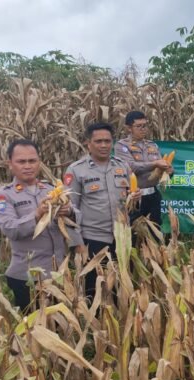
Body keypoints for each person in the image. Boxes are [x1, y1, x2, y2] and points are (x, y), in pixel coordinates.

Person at [0, 139, 79, 311]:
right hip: (27, 277)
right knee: (33, 331)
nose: (27, 166)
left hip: (58, 275)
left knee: (60, 328)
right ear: (10, 164)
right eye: (21, 161)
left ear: (39, 162)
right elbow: (11, 229)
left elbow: (77, 217)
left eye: (32, 161)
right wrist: (37, 214)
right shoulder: (3, 197)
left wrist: (69, 212)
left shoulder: (51, 189)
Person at [65, 122, 140, 300]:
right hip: (93, 241)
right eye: (98, 141)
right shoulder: (76, 170)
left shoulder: (122, 167)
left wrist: (135, 199)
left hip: (122, 239)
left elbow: (130, 203)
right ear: (88, 144)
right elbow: (69, 210)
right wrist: (78, 244)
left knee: (122, 290)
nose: (104, 145)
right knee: (95, 292)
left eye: (107, 141)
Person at [115, 111, 173, 232]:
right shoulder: (122, 146)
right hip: (134, 198)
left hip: (153, 196)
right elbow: (131, 167)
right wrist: (155, 163)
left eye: (145, 125)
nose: (143, 129)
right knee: (133, 232)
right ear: (128, 128)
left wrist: (168, 170)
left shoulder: (152, 145)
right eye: (139, 126)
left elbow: (160, 169)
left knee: (154, 231)